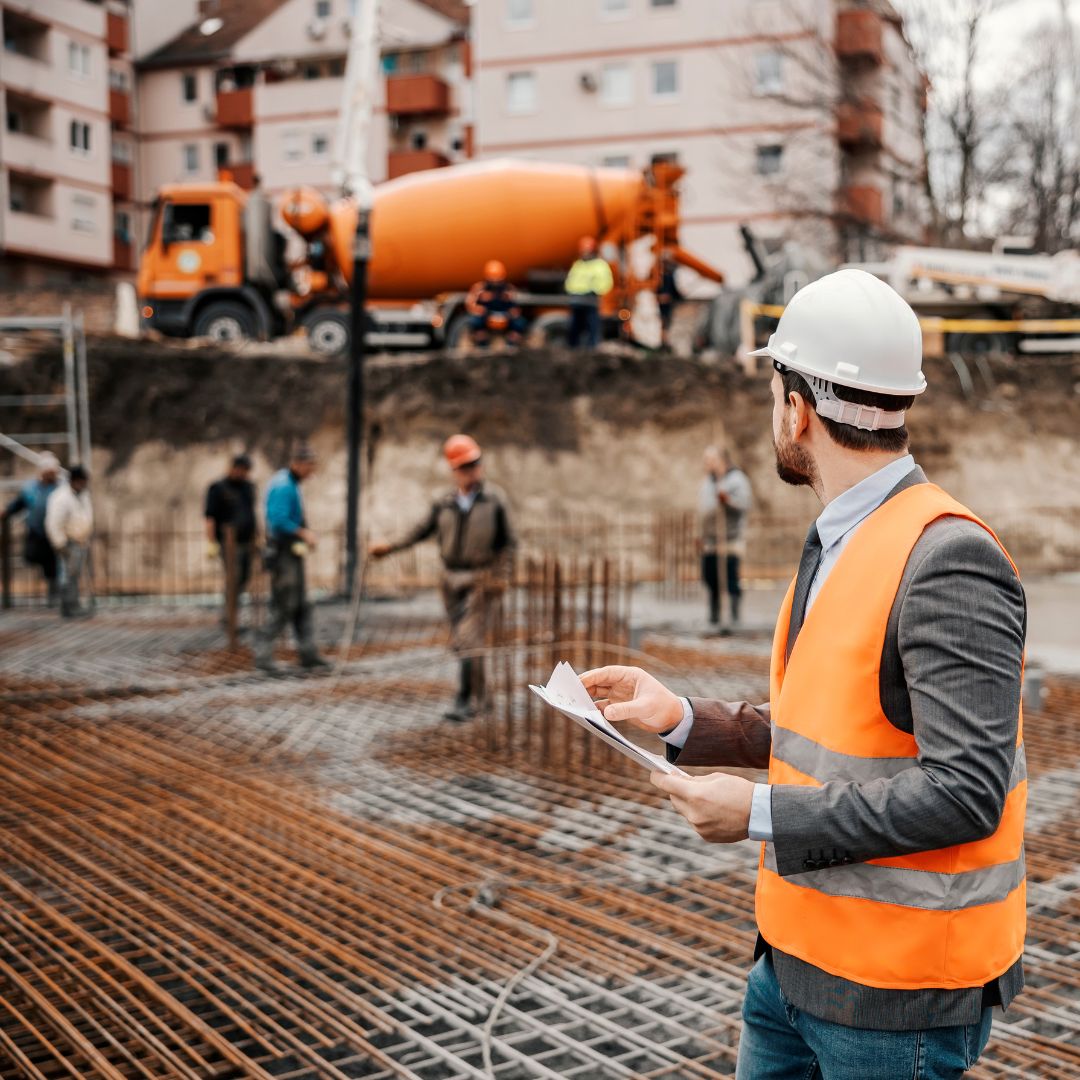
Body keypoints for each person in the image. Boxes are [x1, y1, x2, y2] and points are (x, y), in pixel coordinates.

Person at [582, 269, 1026, 1079]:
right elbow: (829, 726)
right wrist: (682, 717)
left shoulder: (946, 557)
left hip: (895, 999)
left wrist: (759, 816)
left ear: (797, 409)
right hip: (790, 964)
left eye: (773, 392)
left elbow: (967, 791)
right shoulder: (844, 536)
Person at [369, 434, 516, 722]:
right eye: (466, 466)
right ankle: (484, 699)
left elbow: (509, 543)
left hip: (481, 578)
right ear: (454, 470)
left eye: (475, 464)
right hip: (450, 579)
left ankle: (464, 699)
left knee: (467, 639)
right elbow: (419, 531)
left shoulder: (494, 500)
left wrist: (503, 577)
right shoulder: (445, 502)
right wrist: (389, 547)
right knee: (464, 642)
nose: (472, 470)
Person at [254, 444, 329, 674]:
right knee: (284, 604)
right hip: (283, 553)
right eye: (310, 467)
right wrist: (303, 533)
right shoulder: (284, 485)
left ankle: (308, 654)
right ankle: (263, 656)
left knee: (302, 605)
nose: (311, 472)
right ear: (298, 463)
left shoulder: (289, 483)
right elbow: (277, 520)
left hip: (290, 553)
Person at [699, 446, 753, 634]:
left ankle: (733, 617)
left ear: (720, 460)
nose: (706, 464)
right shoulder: (709, 481)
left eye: (709, 460)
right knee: (710, 576)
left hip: (730, 538)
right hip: (711, 539)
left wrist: (727, 501)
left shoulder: (736, 480)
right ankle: (714, 617)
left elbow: (744, 504)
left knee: (730, 578)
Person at [1, 452, 61, 604]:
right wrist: (6, 511)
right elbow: (19, 504)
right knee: (32, 556)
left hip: (54, 532)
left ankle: (53, 594)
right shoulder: (30, 488)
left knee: (53, 565)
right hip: (36, 532)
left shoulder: (61, 489)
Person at [204, 453, 257, 618]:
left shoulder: (248, 487)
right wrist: (211, 542)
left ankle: (232, 613)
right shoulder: (218, 488)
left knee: (244, 578)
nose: (244, 474)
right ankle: (230, 618)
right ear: (233, 468)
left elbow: (251, 513)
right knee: (234, 579)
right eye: (241, 470)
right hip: (229, 543)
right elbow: (210, 517)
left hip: (247, 541)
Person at [45, 464, 94, 618]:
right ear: (75, 480)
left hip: (79, 541)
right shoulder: (61, 497)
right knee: (67, 576)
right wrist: (60, 544)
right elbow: (53, 523)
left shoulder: (82, 495)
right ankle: (69, 607)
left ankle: (74, 605)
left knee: (74, 575)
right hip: (67, 543)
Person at [464, 260, 528, 348]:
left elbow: (516, 307)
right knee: (475, 321)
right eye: (492, 279)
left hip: (505, 315)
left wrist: (512, 313)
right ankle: (482, 345)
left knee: (519, 323)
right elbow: (470, 302)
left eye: (498, 279)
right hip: (487, 315)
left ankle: (511, 346)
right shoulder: (479, 288)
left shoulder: (508, 289)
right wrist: (478, 309)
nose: (495, 282)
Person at [564, 236, 614, 348]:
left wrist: (594, 290)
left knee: (592, 327)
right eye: (582, 249)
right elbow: (570, 280)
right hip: (576, 301)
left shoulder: (600, 265)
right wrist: (573, 291)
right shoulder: (578, 264)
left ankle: (592, 351)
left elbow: (606, 282)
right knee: (574, 328)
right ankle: (573, 350)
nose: (583, 251)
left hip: (591, 301)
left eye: (586, 249)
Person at [656, 253, 682, 350]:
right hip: (659, 307)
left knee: (665, 324)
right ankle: (661, 341)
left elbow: (674, 292)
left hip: (666, 307)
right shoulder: (657, 278)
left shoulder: (669, 277)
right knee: (662, 323)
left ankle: (664, 342)